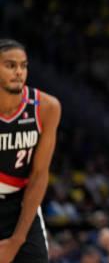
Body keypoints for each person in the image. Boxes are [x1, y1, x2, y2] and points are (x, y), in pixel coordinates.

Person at [0, 39, 61, 263]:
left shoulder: (46, 107)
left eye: (23, 66)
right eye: (10, 65)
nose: (19, 72)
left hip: (21, 204)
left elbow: (39, 175)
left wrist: (16, 240)